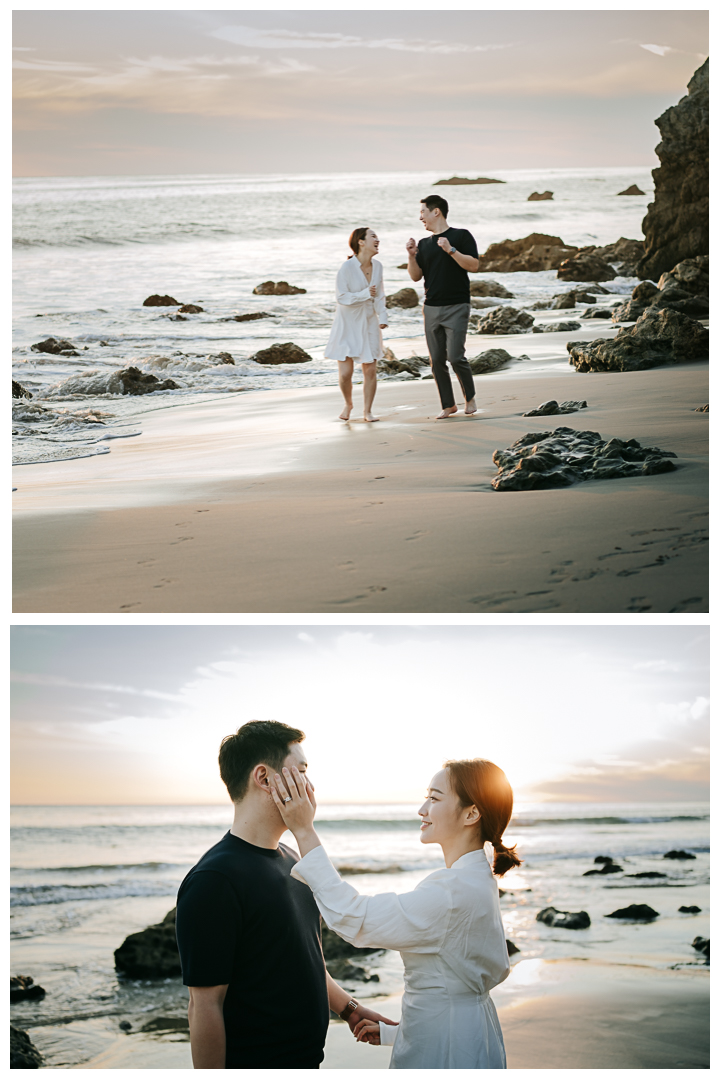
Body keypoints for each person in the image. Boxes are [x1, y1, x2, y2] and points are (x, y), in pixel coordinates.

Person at [270, 756, 520, 1070]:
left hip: (449, 1048)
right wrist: (397, 1033)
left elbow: (352, 918)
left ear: (471, 813)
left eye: (434, 798)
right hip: (463, 1034)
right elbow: (457, 983)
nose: (422, 809)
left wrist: (304, 830)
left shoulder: (452, 892)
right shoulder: (473, 880)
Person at [175, 721, 395, 1069]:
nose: (310, 785)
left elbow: (304, 957)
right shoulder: (215, 879)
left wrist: (349, 1009)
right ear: (264, 778)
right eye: (302, 771)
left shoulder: (294, 859)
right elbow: (204, 1006)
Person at [406, 196, 480, 419]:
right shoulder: (424, 244)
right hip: (431, 308)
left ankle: (470, 398)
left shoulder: (461, 236)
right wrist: (411, 256)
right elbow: (416, 277)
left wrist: (451, 250)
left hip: (457, 305)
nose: (420, 217)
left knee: (456, 357)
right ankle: (448, 405)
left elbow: (474, 266)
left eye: (423, 212)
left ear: (436, 212)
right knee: (436, 359)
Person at [326, 227, 389, 422]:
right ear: (361, 242)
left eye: (377, 236)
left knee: (370, 369)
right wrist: (364, 294)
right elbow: (341, 297)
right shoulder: (346, 268)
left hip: (369, 321)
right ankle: (348, 403)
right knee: (346, 373)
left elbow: (379, 294)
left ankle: (367, 411)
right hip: (347, 324)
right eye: (373, 237)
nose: (377, 240)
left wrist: (383, 317)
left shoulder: (378, 266)